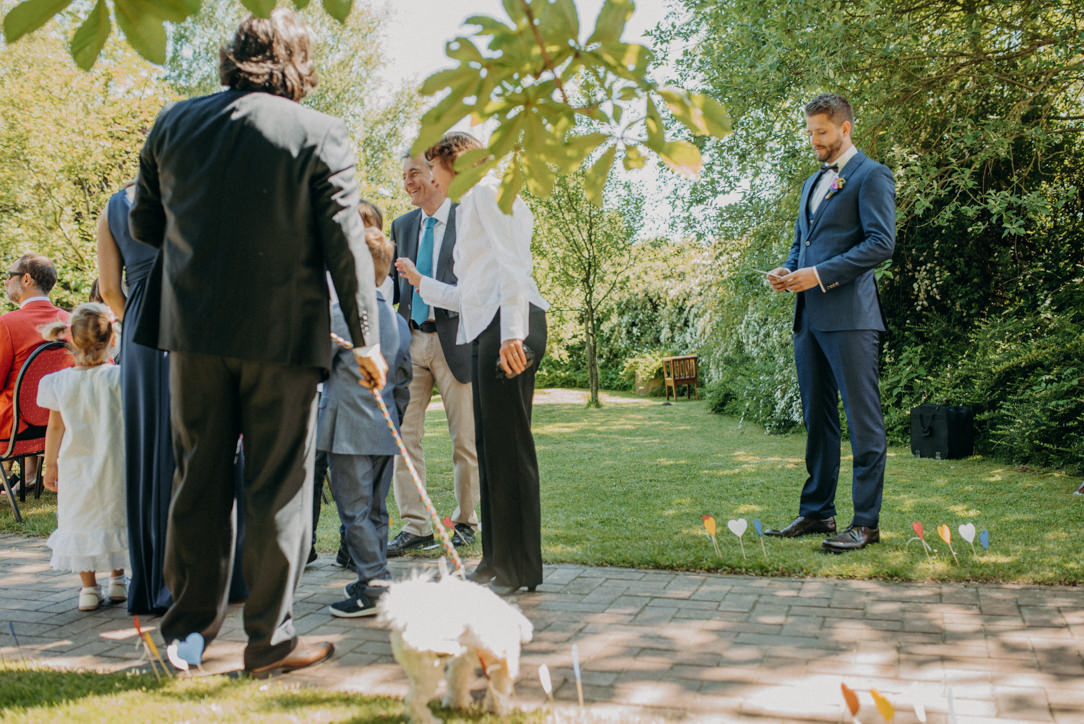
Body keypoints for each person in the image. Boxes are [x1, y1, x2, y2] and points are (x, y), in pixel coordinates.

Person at [129, 9, 386, 676]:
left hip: (194, 335)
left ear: (231, 56)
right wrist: (366, 340)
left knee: (197, 480)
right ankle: (269, 642)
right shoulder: (320, 132)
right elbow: (346, 245)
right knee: (278, 486)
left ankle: (185, 639)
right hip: (283, 336)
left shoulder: (172, 122)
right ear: (297, 64)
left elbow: (145, 225)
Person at [396, 131, 548, 596]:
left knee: (509, 450)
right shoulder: (471, 205)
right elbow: (470, 294)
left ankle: (520, 568)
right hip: (487, 326)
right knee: (492, 448)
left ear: (453, 163)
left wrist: (512, 335)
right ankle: (496, 560)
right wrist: (421, 283)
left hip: (509, 326)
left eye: (433, 167)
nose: (432, 177)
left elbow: (513, 267)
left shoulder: (487, 192)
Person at [764, 93, 895, 552]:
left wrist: (819, 275)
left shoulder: (872, 175)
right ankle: (818, 512)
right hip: (809, 319)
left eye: (821, 132)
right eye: (810, 132)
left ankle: (866, 523)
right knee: (818, 421)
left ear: (845, 128)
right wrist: (787, 270)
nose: (814, 140)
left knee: (863, 422)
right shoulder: (810, 184)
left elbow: (880, 243)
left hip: (852, 319)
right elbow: (801, 245)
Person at [387, 152, 479, 556]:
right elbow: (392, 286)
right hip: (411, 340)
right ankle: (416, 526)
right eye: (403, 176)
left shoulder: (466, 219)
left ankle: (466, 521)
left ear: (435, 175)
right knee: (404, 437)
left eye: (414, 173)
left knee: (464, 439)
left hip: (454, 340)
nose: (407, 182)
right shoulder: (402, 225)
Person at [320, 226, 412, 617]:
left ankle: (374, 583)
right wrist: (394, 420)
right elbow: (404, 380)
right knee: (376, 510)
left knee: (354, 512)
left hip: (347, 432)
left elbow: (318, 365)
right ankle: (374, 578)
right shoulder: (397, 321)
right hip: (383, 429)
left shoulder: (339, 316)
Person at [38, 304, 127, 611]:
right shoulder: (119, 378)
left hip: (75, 466)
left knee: (80, 521)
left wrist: (50, 465)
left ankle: (88, 589)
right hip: (115, 463)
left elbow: (55, 426)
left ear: (70, 338)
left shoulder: (59, 382)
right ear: (112, 338)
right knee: (116, 516)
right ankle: (118, 579)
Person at [0, 254, 70, 492]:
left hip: (15, 429)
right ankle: (28, 476)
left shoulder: (7, 324)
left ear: (26, 279)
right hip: (61, 423)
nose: (6, 282)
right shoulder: (70, 322)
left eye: (10, 276)